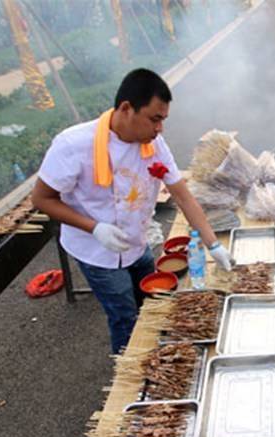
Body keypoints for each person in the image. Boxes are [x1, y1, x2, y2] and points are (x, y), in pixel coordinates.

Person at [32, 68, 233, 354]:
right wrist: (94, 227)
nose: (160, 128)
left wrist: (214, 245)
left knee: (152, 303)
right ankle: (128, 374)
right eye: (155, 119)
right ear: (126, 109)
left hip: (136, 243)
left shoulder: (153, 143)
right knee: (124, 317)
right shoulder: (73, 145)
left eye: (163, 120)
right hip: (97, 252)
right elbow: (41, 199)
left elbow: (184, 197)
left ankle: (154, 354)